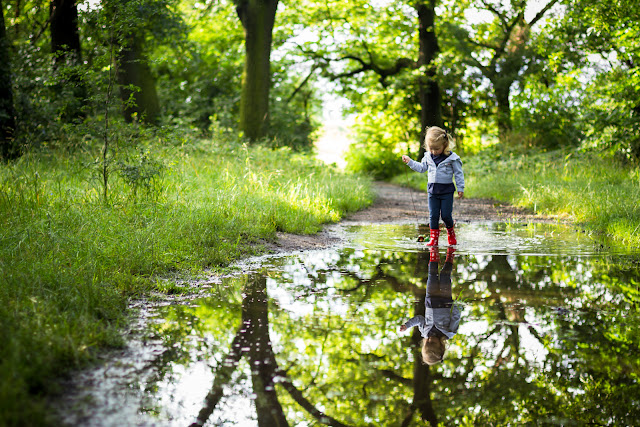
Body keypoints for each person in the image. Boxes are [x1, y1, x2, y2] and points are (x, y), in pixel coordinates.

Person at [402, 126, 464, 246]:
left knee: (446, 215)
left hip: (447, 192)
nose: (434, 151)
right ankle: (433, 240)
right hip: (432, 192)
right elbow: (421, 168)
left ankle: (451, 234)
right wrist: (410, 161)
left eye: (437, 149)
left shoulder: (452, 158)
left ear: (445, 145)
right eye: (431, 149)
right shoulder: (428, 157)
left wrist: (460, 188)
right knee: (433, 216)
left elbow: (458, 173)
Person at [400, 247, 460, 365]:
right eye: (433, 343)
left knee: (432, 274)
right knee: (444, 275)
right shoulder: (449, 332)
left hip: (430, 298)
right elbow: (456, 317)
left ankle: (433, 250)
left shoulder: (425, 332)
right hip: (445, 299)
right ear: (441, 347)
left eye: (428, 343)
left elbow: (419, 319)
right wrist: (455, 305)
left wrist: (407, 325)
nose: (430, 340)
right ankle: (450, 253)